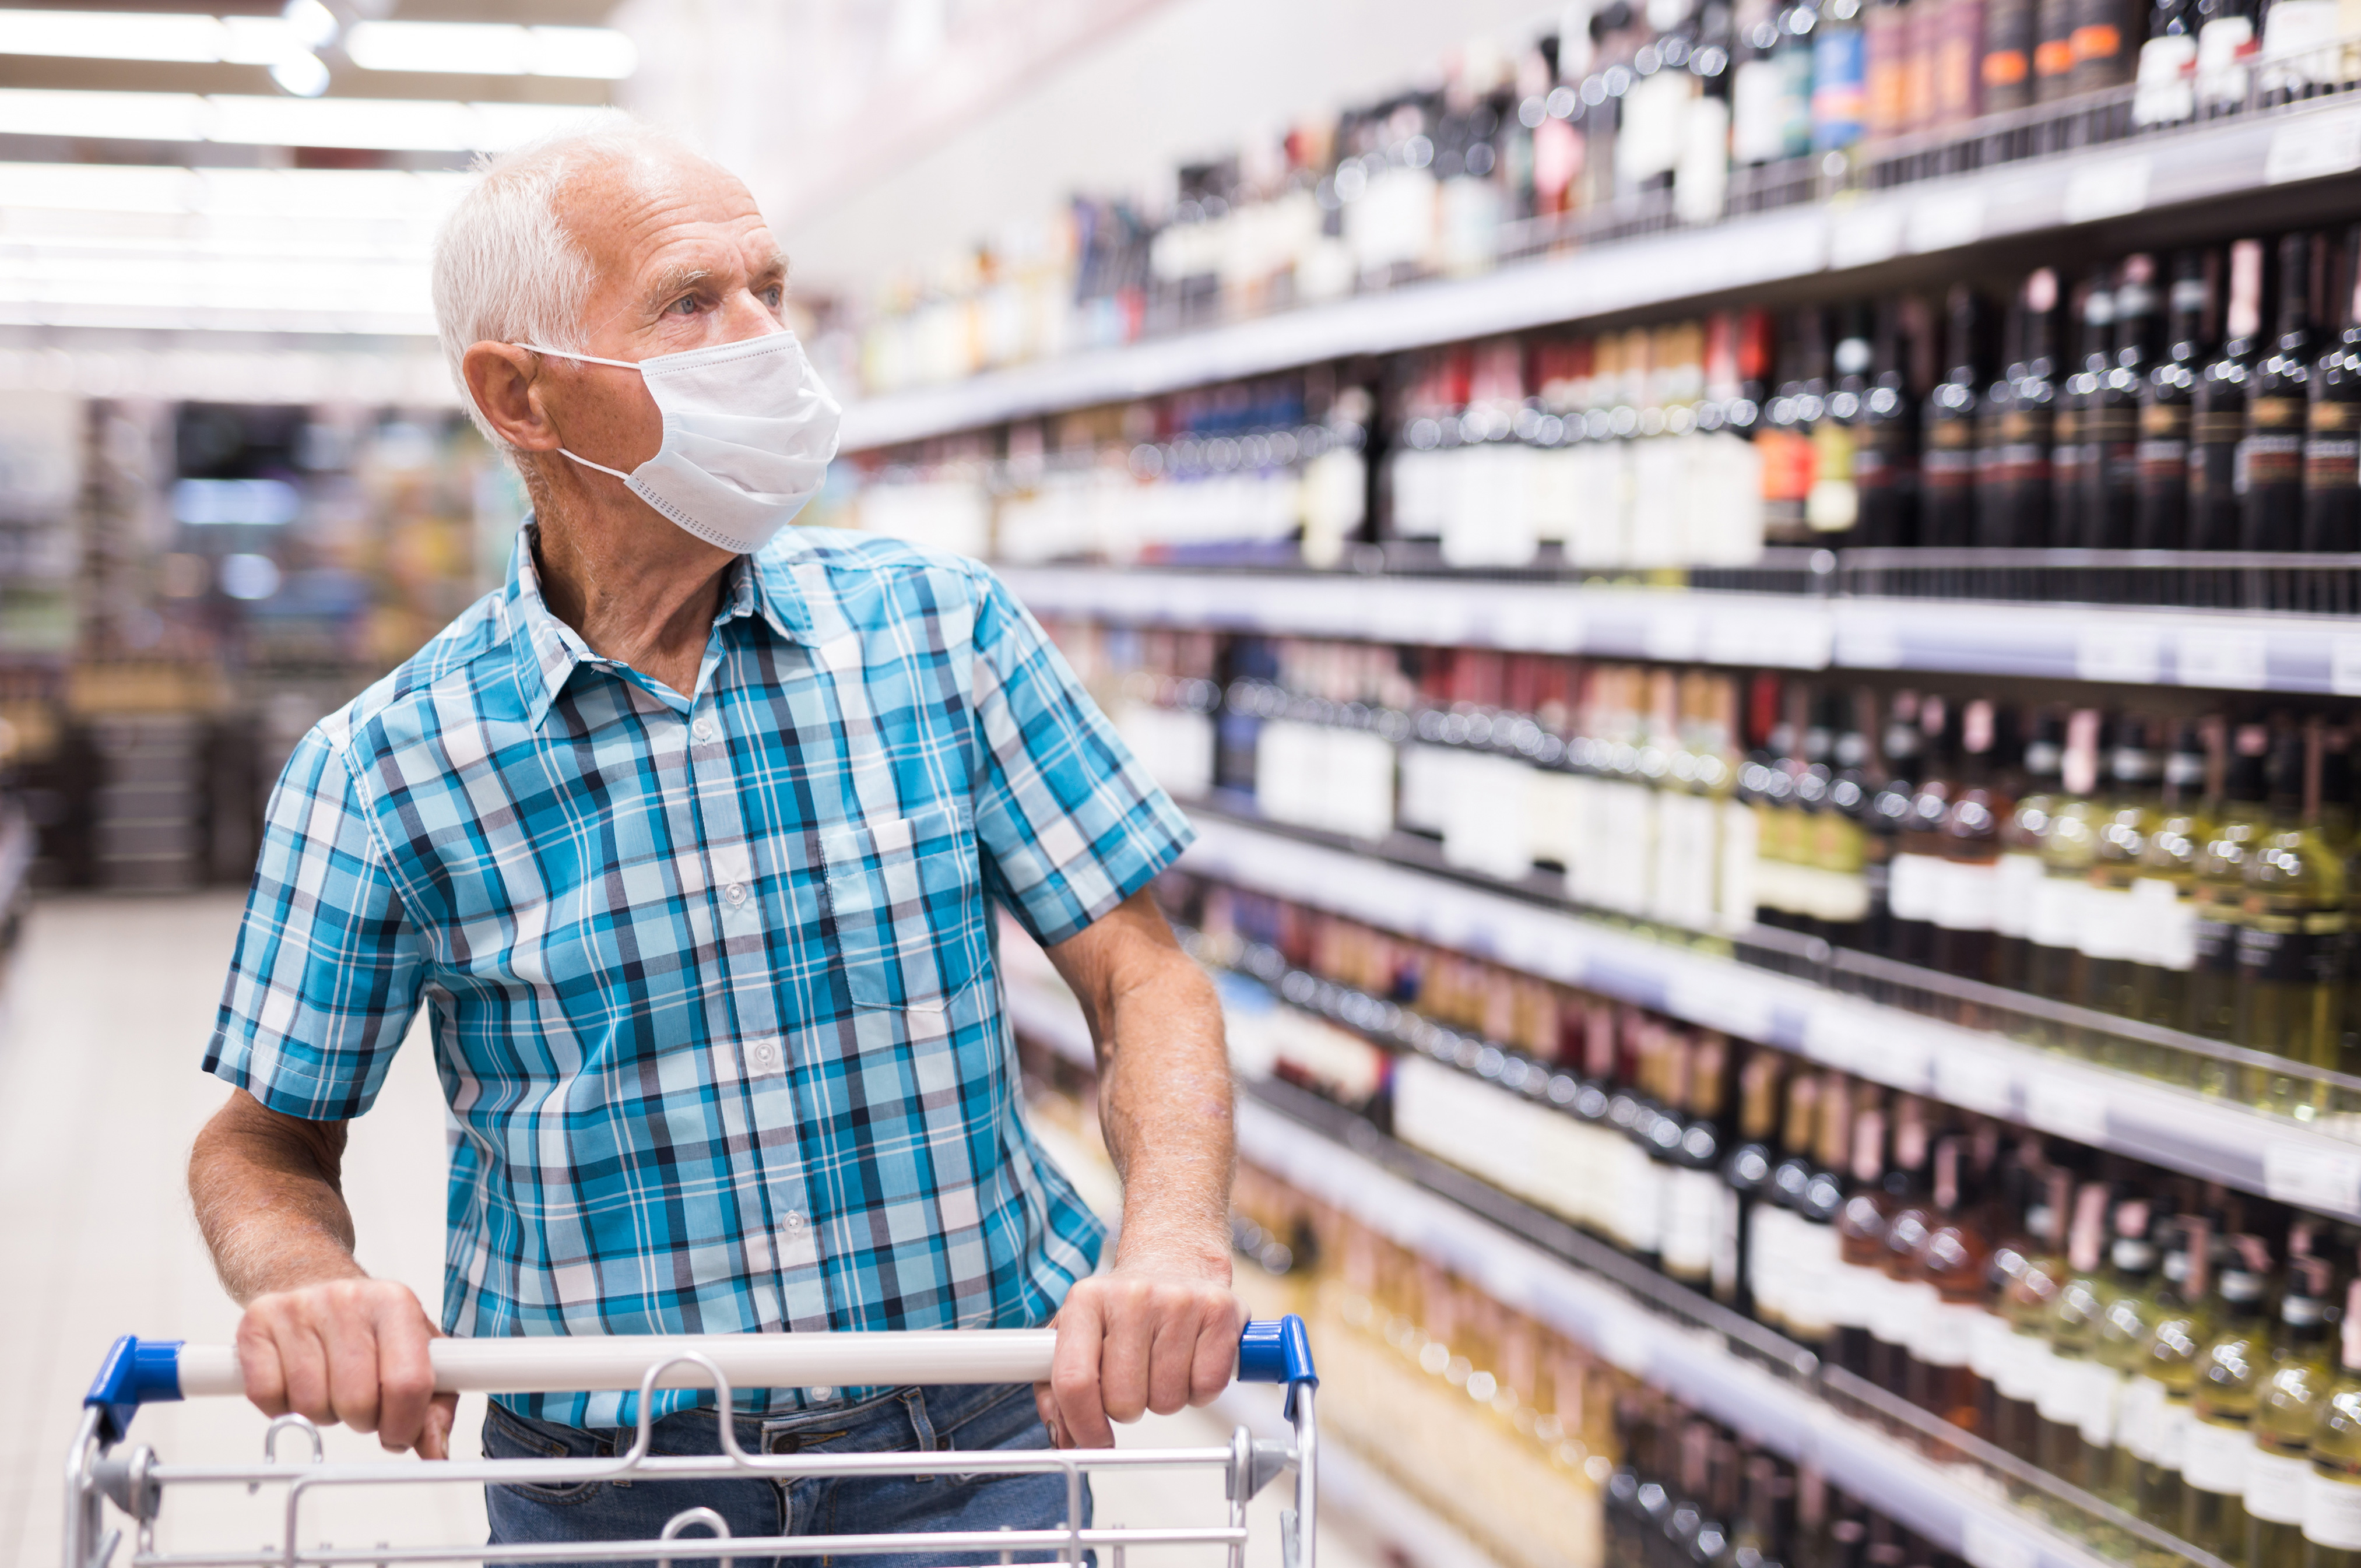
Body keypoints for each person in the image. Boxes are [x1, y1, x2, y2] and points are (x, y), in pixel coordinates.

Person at [185, 113, 1237, 1563]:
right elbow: (261, 1140)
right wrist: (304, 1278)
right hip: (609, 1490)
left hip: (973, 1446)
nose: (766, 343)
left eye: (771, 291)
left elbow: (1144, 977)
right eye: (693, 304)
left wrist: (1172, 1231)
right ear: (524, 396)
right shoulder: (385, 771)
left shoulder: (943, 633)